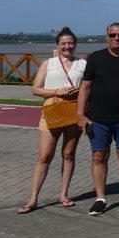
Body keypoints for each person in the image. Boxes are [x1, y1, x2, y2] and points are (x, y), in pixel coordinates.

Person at [76, 22, 119, 216]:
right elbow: (85, 88)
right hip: (98, 119)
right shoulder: (96, 58)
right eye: (113, 35)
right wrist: (80, 115)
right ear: (107, 37)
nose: (116, 38)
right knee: (98, 156)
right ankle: (100, 198)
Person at [20, 27, 87, 213]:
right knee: (44, 156)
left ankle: (64, 193)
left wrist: (79, 92)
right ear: (57, 45)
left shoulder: (83, 64)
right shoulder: (48, 64)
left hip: (74, 112)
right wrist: (58, 91)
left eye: (71, 43)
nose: (68, 46)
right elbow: (36, 89)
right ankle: (33, 197)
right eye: (64, 43)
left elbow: (90, 88)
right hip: (52, 113)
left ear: (75, 44)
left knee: (68, 154)